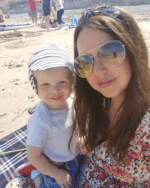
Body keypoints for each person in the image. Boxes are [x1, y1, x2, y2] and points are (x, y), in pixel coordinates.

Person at [71, 6, 150, 187]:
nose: (97, 71)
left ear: (132, 48)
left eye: (110, 52)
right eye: (85, 61)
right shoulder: (96, 100)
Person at [27, 44, 80, 188]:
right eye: (45, 84)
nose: (54, 90)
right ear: (35, 87)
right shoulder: (40, 121)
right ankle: (38, 177)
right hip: (54, 167)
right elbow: (33, 155)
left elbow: (77, 122)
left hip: (75, 157)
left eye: (61, 82)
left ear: (72, 80)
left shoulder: (73, 101)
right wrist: (55, 173)